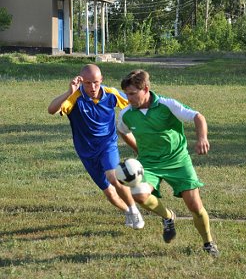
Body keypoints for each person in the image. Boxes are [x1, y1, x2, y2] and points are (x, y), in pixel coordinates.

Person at [117, 69, 219, 256]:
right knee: (139, 194)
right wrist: (137, 149)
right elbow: (122, 130)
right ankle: (168, 217)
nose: (128, 98)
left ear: (145, 89)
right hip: (149, 164)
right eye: (126, 94)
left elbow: (198, 117)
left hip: (178, 161)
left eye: (132, 94)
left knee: (195, 207)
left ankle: (208, 243)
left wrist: (202, 138)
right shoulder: (126, 114)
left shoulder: (167, 105)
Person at [48, 64, 144, 229]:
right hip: (86, 152)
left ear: (102, 80)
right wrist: (69, 92)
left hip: (107, 144)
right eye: (87, 83)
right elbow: (51, 110)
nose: (92, 87)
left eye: (96, 82)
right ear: (80, 81)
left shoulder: (111, 94)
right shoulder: (74, 97)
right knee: (109, 194)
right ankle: (128, 211)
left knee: (113, 177)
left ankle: (134, 211)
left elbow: (133, 101)